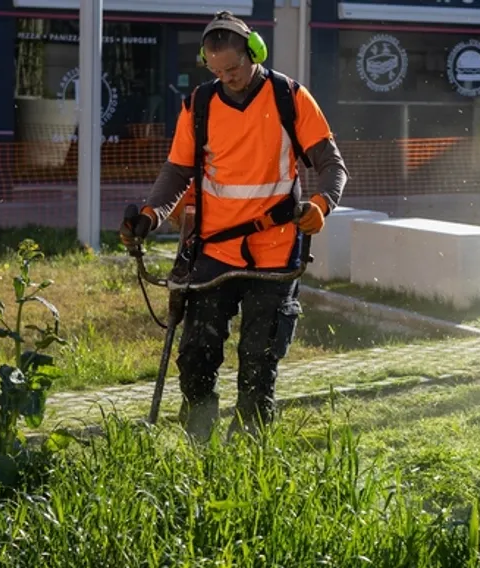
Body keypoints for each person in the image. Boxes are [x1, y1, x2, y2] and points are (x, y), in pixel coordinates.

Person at [120, 10, 349, 441]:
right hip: (214, 251)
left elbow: (332, 166)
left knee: (259, 361)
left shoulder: (290, 97)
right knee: (196, 356)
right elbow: (176, 172)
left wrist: (321, 204)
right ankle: (198, 442)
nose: (228, 78)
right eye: (218, 71)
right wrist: (150, 215)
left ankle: (249, 448)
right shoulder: (200, 105)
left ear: (254, 52)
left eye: (235, 68)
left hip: (275, 250)